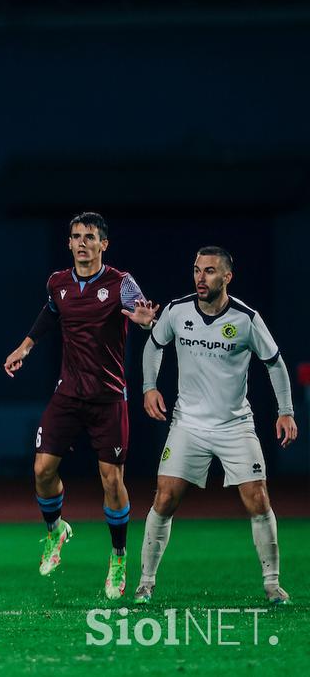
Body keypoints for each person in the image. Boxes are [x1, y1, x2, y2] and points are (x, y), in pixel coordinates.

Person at [3, 212, 157, 600]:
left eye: (90, 236)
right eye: (76, 236)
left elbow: (142, 315)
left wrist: (144, 323)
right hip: (68, 394)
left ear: (104, 244)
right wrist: (24, 347)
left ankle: (119, 557)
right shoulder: (58, 283)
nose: (82, 242)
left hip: (108, 398)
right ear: (69, 243)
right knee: (42, 469)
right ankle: (55, 529)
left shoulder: (120, 283)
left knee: (111, 480)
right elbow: (50, 313)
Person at [136, 246, 297, 605]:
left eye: (209, 271)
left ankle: (272, 584)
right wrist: (149, 388)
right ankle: (145, 582)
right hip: (188, 424)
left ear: (227, 277)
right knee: (164, 497)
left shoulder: (246, 318)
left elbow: (275, 362)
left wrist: (285, 410)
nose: (200, 278)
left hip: (234, 425)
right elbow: (154, 344)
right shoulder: (178, 311)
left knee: (258, 499)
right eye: (196, 270)